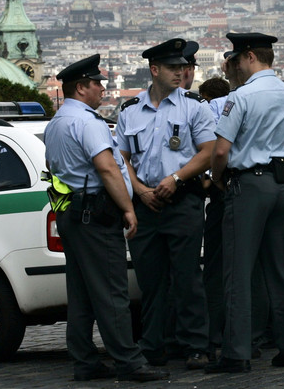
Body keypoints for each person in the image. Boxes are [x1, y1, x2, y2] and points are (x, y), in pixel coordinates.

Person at [44, 54, 168, 383]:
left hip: (70, 211)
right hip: (95, 214)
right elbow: (107, 167)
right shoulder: (87, 122)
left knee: (82, 291)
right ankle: (129, 360)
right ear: (81, 87)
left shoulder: (56, 122)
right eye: (97, 83)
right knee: (112, 289)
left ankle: (84, 359)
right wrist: (128, 208)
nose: (103, 88)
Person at [205, 32, 284, 373]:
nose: (233, 67)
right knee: (283, 271)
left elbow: (220, 150)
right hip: (281, 182)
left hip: (247, 185)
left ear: (249, 57)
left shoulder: (241, 96)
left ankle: (237, 353)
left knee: (238, 272)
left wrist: (218, 177)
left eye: (236, 60)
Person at [116, 39, 216, 370]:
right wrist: (140, 190)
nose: (181, 72)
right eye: (173, 68)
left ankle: (195, 344)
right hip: (147, 204)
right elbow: (123, 158)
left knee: (187, 277)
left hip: (183, 200)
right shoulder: (130, 110)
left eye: (183, 67)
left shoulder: (194, 105)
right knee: (151, 280)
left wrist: (175, 178)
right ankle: (154, 344)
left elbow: (208, 151)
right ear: (154, 70)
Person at [197, 76, 230, 360]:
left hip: (221, 194)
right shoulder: (239, 104)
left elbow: (215, 151)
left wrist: (211, 179)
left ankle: (215, 334)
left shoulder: (209, 109)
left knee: (215, 269)